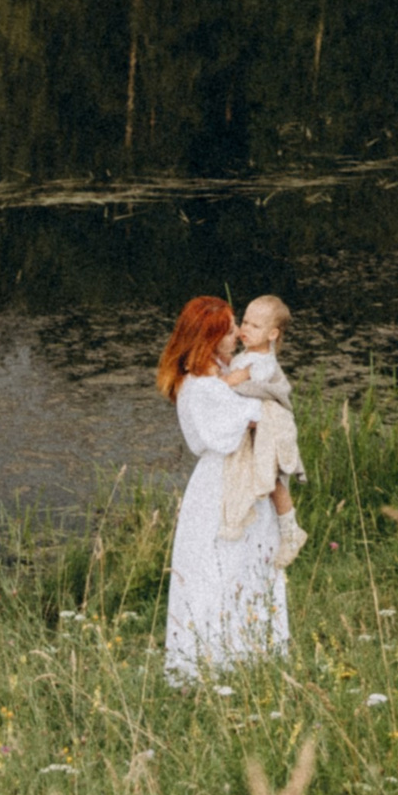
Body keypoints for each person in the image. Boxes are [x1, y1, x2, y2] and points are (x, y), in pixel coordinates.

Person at [157, 291, 306, 686]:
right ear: (208, 338)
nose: (237, 334)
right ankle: (211, 658)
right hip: (220, 483)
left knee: (252, 561)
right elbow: (254, 417)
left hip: (243, 476)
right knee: (217, 566)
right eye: (227, 330)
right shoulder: (202, 386)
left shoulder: (224, 374)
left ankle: (253, 652)